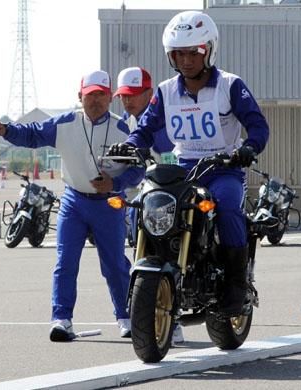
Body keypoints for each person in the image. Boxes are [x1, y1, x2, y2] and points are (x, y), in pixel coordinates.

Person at [109, 11, 270, 317]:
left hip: (223, 167)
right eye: (178, 53)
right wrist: (129, 146)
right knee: (147, 203)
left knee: (227, 206)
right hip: (183, 168)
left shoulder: (231, 85)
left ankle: (236, 284)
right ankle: (155, 264)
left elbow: (258, 127)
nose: (186, 60)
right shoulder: (166, 91)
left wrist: (248, 148)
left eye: (193, 52)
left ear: (208, 50)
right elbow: (144, 129)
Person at [0, 70, 145, 342]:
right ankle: (61, 319)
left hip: (109, 203)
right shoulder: (66, 123)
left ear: (110, 98)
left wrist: (115, 184)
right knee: (65, 261)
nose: (95, 101)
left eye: (101, 95)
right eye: (89, 95)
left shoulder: (123, 129)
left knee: (114, 264)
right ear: (79, 96)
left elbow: (138, 169)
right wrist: (7, 130)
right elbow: (33, 134)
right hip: (74, 201)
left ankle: (126, 317)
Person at [113, 66, 185, 344]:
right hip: (147, 199)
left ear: (149, 94)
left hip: (169, 197)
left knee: (172, 253)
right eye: (123, 96)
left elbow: (172, 160)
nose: (127, 101)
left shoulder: (162, 123)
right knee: (142, 250)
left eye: (133, 95)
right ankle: (151, 315)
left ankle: (174, 318)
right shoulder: (130, 123)